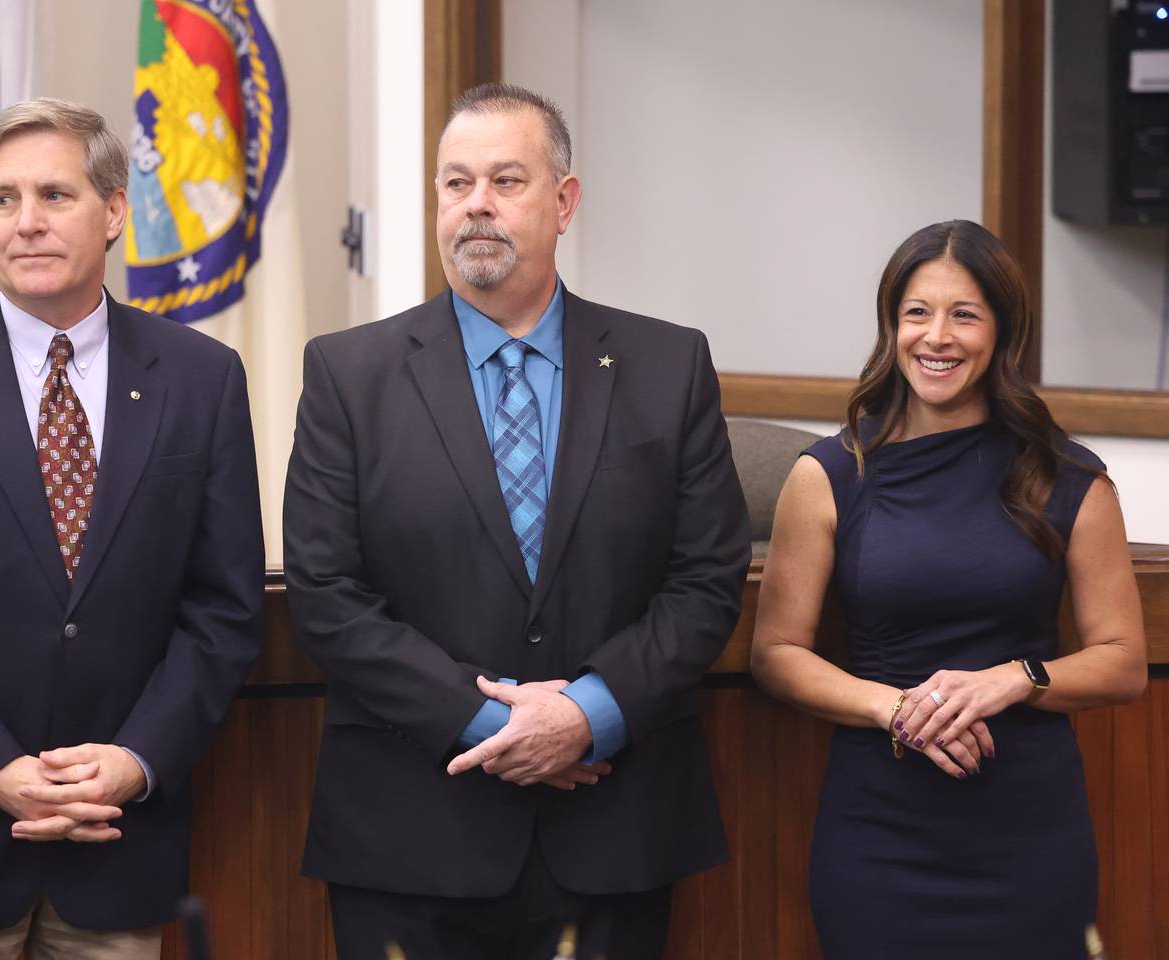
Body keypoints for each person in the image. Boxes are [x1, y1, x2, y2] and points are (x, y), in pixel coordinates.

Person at [283, 83, 751, 959]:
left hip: (611, 823)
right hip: (410, 831)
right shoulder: (349, 374)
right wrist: (498, 726)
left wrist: (589, 713)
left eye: (506, 180)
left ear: (565, 200)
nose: (478, 207)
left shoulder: (667, 364)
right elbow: (324, 592)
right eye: (456, 184)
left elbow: (706, 580)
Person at [0, 98, 264, 959]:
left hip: (117, 848)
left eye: (54, 196)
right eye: (2, 199)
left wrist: (138, 762)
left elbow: (225, 611)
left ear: (113, 213)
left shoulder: (201, 378)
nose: (25, 223)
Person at [750, 220, 1147, 958]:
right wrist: (894, 707)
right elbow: (775, 652)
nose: (937, 337)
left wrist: (1014, 680)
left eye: (964, 314)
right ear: (891, 327)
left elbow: (1123, 660)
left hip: (1028, 830)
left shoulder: (1069, 478)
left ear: (1003, 332)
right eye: (916, 313)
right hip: (881, 829)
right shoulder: (832, 473)